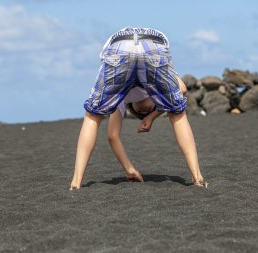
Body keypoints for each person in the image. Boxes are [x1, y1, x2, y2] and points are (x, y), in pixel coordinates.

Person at [70, 27, 208, 190]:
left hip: (121, 45)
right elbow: (183, 89)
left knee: (92, 115)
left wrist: (151, 117)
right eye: (145, 112)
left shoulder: (120, 95)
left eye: (142, 113)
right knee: (177, 111)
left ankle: (76, 183)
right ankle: (197, 178)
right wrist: (153, 116)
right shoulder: (126, 97)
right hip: (152, 44)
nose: (144, 112)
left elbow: (113, 136)